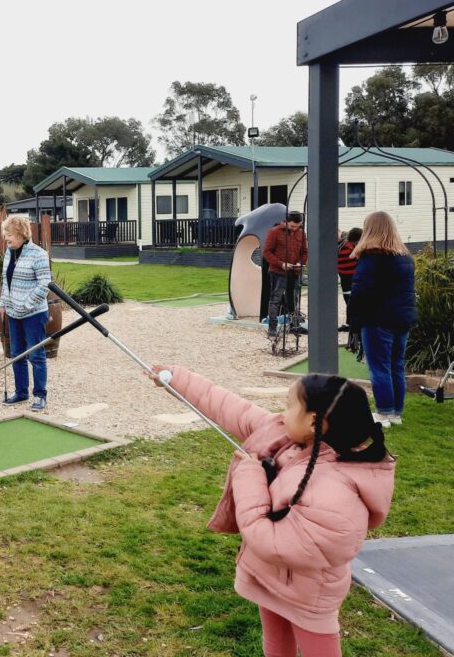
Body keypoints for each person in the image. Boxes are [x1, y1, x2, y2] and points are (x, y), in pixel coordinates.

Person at [151, 364, 394, 657]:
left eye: (289, 407)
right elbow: (233, 409)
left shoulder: (335, 492)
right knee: (276, 647)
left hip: (308, 596)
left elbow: (270, 542)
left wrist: (249, 475)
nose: (282, 414)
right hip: (272, 578)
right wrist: (178, 380)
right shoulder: (291, 438)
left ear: (315, 422)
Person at [348, 211, 417, 429]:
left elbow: (360, 293)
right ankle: (396, 412)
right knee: (396, 366)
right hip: (402, 319)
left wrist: (354, 321)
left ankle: (383, 413)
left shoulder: (371, 258)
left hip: (378, 320)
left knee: (379, 367)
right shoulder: (405, 257)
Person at [0, 215, 52, 411]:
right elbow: (6, 281)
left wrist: (26, 303)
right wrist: (3, 304)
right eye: (5, 234)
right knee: (16, 354)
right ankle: (21, 393)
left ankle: (40, 396)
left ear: (21, 234)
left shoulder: (38, 254)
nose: (6, 238)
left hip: (34, 313)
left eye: (9, 234)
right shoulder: (8, 253)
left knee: (36, 355)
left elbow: (45, 284)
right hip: (13, 313)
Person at [263, 211, 308, 339]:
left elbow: (305, 251)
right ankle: (272, 327)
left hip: (295, 271)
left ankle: (294, 325)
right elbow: (266, 252)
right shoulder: (274, 232)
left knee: (293, 298)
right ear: (286, 222)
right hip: (278, 271)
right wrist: (281, 264)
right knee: (275, 299)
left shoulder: (301, 233)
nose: (295, 229)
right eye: (292, 226)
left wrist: (301, 262)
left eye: (298, 226)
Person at [336, 227, 361, 348]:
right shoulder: (339, 246)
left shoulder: (354, 244)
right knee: (350, 303)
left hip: (355, 277)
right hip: (345, 277)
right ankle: (353, 338)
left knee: (354, 306)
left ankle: (354, 340)